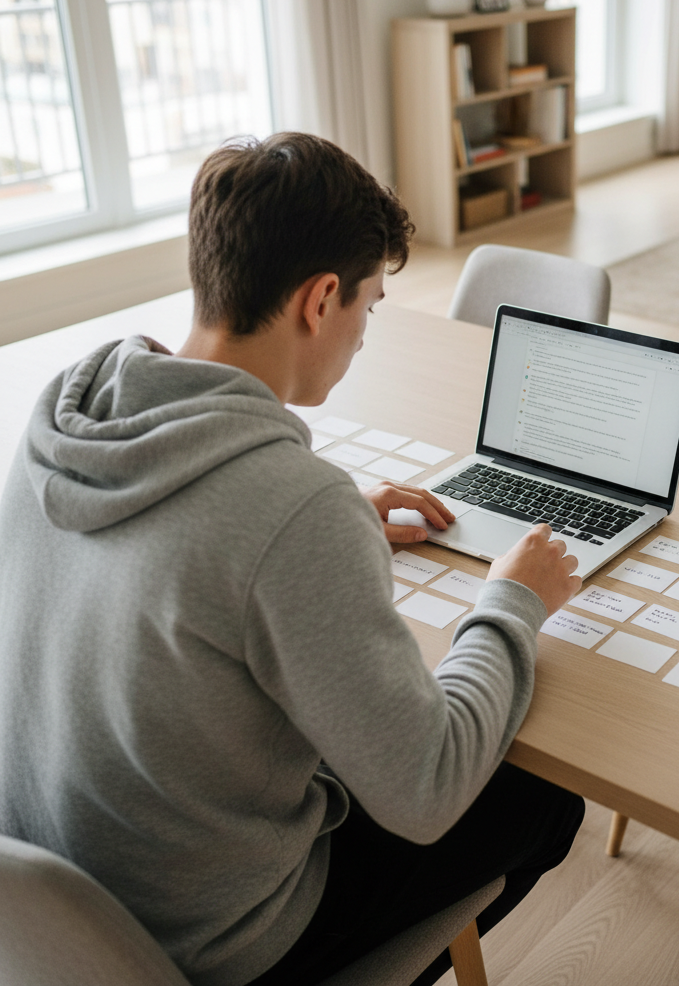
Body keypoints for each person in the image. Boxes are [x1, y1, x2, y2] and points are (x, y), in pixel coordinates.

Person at [0, 132, 584, 986]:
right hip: (214, 943)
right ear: (319, 300)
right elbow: (428, 786)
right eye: (370, 306)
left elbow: (189, 551)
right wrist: (511, 602)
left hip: (57, 919)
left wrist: (335, 521)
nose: (362, 336)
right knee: (544, 799)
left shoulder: (65, 420)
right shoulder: (291, 507)